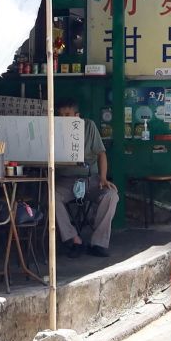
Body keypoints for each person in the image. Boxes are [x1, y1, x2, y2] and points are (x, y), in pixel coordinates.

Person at [54, 98, 119, 258]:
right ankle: (73, 239)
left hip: (91, 179)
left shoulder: (88, 126)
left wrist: (103, 178)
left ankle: (98, 243)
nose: (63, 118)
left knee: (111, 196)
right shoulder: (53, 128)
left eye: (67, 114)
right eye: (60, 115)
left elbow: (101, 154)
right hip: (66, 181)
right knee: (51, 197)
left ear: (77, 115)